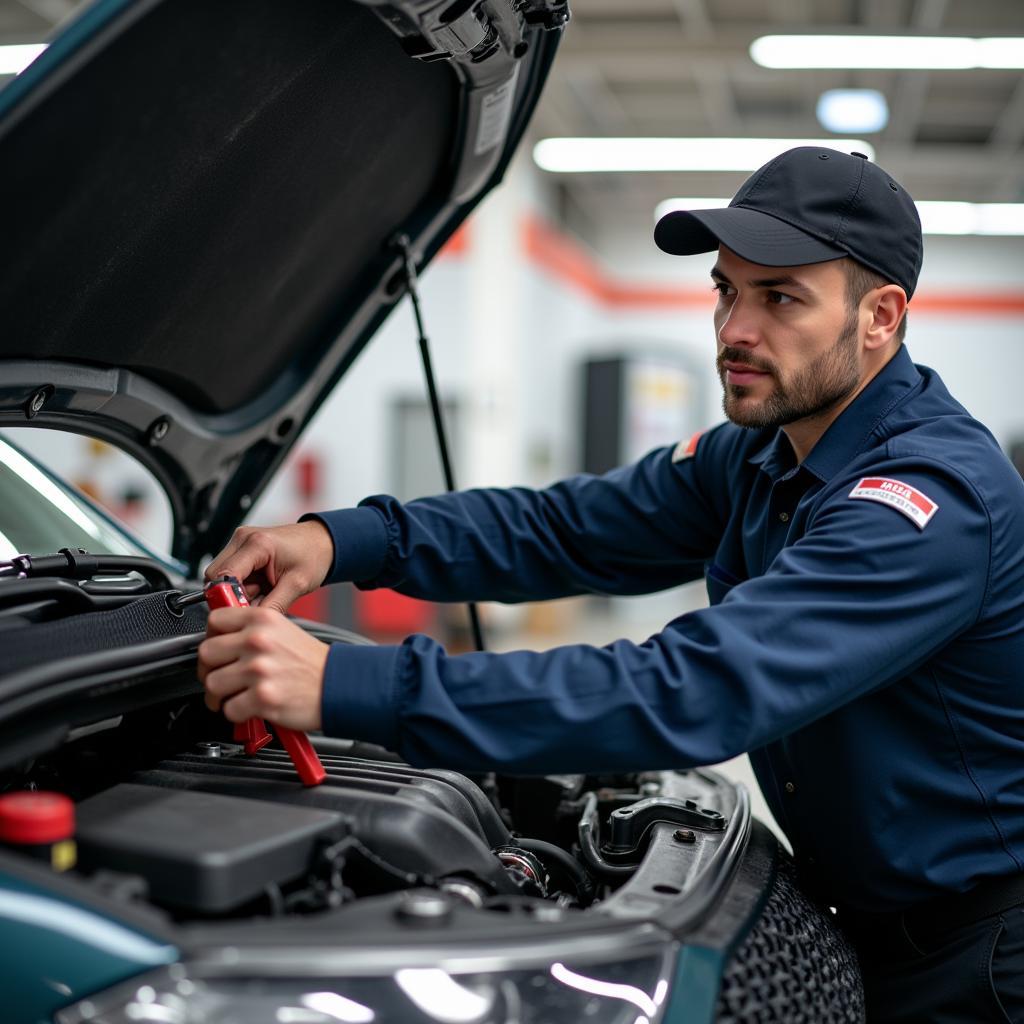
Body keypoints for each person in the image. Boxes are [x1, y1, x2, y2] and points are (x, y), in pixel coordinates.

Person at [198, 147, 1024, 1022]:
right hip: (864, 924)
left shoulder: (928, 503)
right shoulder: (762, 453)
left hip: (977, 963)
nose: (735, 330)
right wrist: (343, 539)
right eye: (725, 291)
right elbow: (567, 527)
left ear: (880, 317)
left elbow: (696, 687)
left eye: (779, 298)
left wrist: (347, 683)